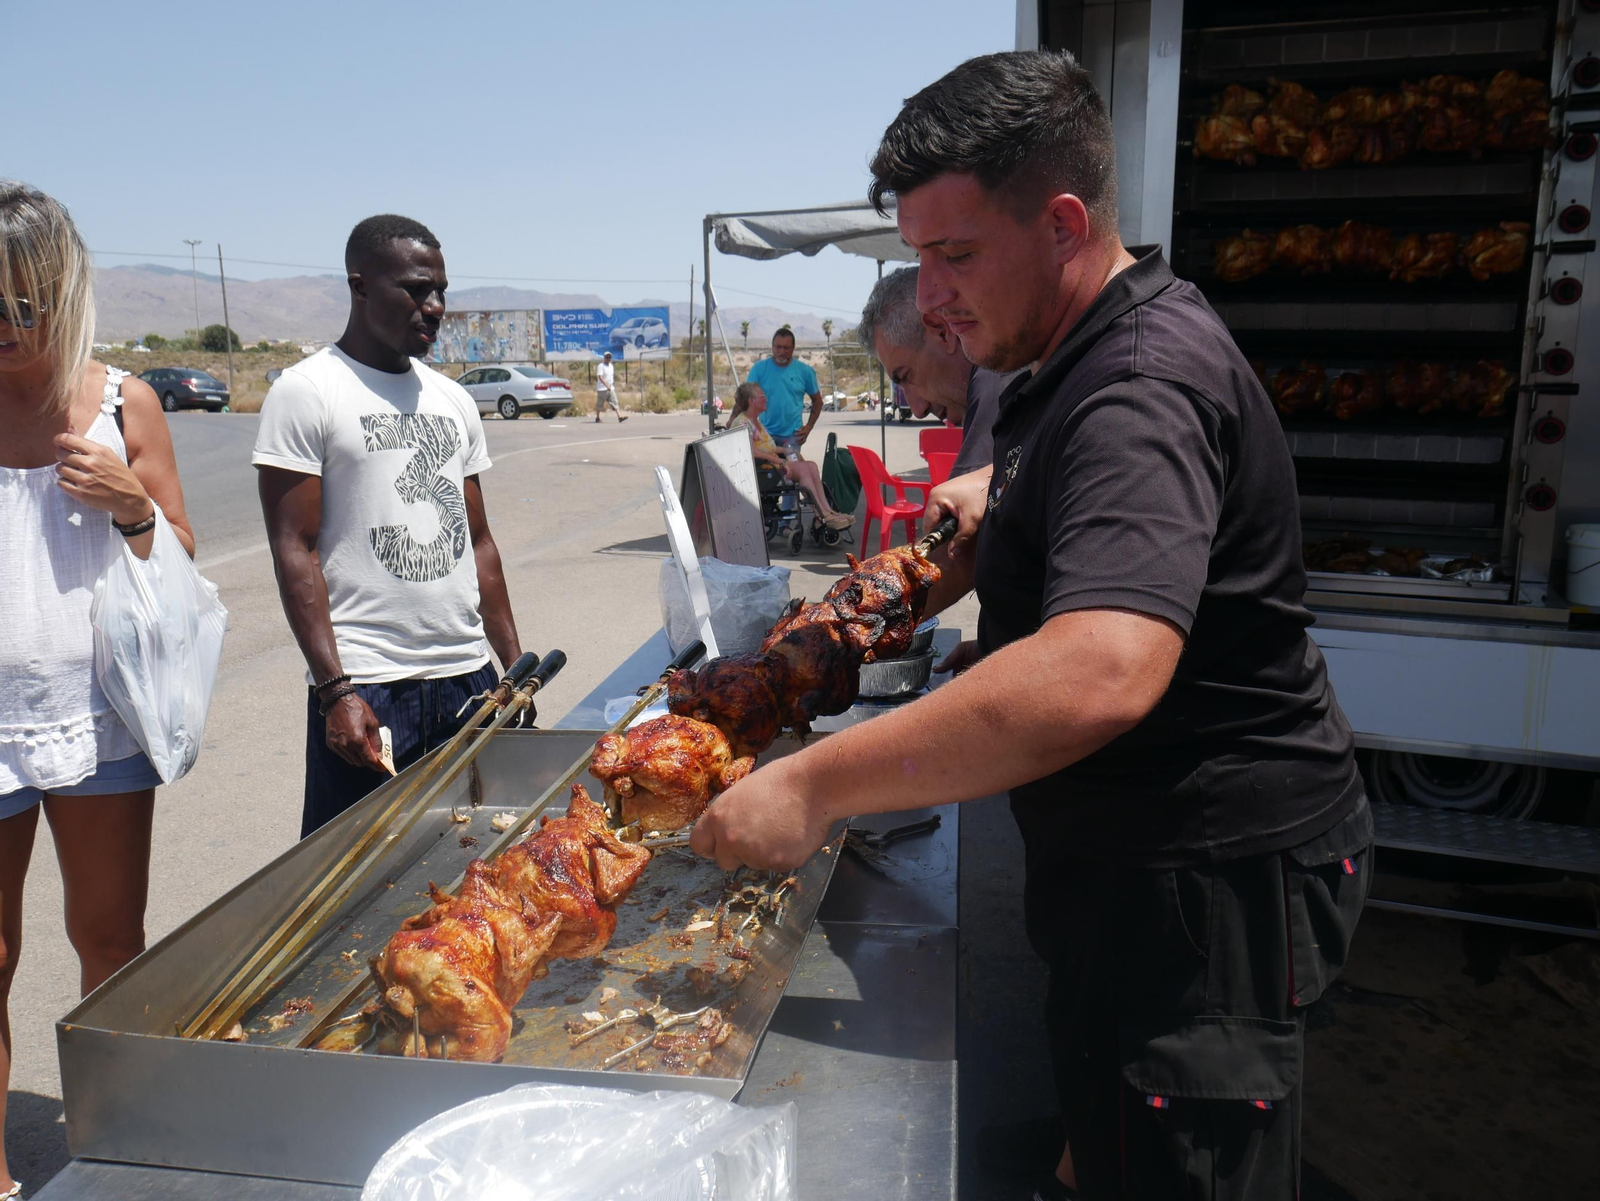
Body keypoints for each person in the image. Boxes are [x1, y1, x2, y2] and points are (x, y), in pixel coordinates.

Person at [690, 51, 1370, 1201]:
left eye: (956, 256)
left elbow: (1101, 669)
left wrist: (815, 786)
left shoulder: (1137, 385)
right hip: (1132, 857)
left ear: (1061, 223)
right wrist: (1004, 499)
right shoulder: (1083, 351)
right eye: (919, 257)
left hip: (1205, 882)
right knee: (1104, 1131)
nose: (936, 297)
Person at [0, 181, 198, 1200]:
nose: (4, 329)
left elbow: (185, 558)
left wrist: (132, 507)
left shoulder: (127, 403)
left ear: (62, 291)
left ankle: (114, 1143)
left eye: (22, 306)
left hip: (103, 716)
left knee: (111, 939)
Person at [254, 214, 528, 839]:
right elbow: (294, 548)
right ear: (360, 287)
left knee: (472, 865)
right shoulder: (307, 392)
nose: (433, 307)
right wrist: (335, 692)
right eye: (414, 289)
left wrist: (516, 668)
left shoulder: (453, 400)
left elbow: (478, 543)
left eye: (440, 292)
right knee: (348, 891)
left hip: (468, 680)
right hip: (368, 688)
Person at [858, 263, 1018, 477]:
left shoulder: (993, 381)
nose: (918, 410)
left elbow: (966, 505)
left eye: (907, 377)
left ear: (942, 332)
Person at [727, 382, 853, 530]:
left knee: (811, 465)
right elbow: (752, 451)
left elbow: (770, 447)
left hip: (769, 466)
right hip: (762, 471)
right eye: (762, 396)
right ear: (751, 401)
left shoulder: (756, 422)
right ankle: (821, 515)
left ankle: (827, 511)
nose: (766, 399)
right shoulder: (742, 423)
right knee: (805, 470)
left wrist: (790, 451)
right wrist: (780, 461)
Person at [744, 328, 822, 453]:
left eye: (786, 348)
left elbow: (818, 401)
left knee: (792, 469)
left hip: (793, 436)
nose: (782, 351)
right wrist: (732, 420)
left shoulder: (805, 372)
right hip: (765, 434)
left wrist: (809, 427)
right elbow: (745, 397)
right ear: (772, 347)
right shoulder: (759, 369)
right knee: (768, 470)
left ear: (793, 348)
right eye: (778, 347)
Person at [594, 350, 626, 422]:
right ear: (604, 358)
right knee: (600, 404)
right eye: (607, 357)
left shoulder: (611, 366)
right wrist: (606, 385)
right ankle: (597, 418)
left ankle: (619, 417)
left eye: (609, 357)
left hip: (611, 388)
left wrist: (610, 386)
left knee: (614, 402)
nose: (608, 359)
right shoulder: (601, 366)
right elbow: (600, 377)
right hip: (602, 389)